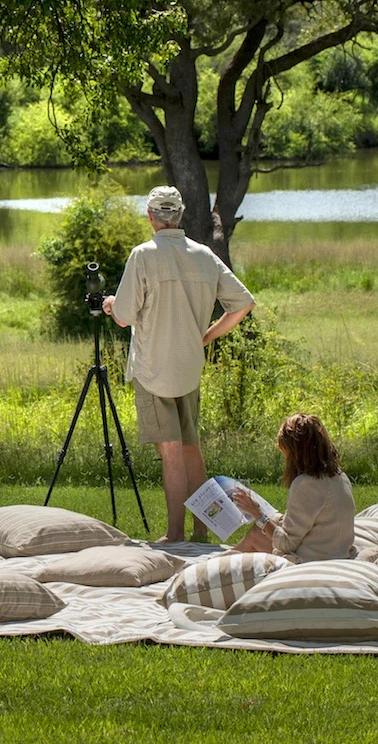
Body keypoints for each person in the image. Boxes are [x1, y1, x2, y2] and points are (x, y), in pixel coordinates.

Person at [103, 185, 255, 541]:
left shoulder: (143, 255)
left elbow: (124, 317)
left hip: (153, 369)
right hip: (189, 367)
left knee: (170, 454)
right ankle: (201, 531)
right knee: (191, 450)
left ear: (151, 217)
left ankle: (174, 536)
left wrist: (111, 305)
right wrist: (205, 336)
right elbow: (243, 304)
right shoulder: (204, 255)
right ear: (181, 215)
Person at [231, 413, 356, 562]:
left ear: (295, 453)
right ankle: (226, 560)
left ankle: (219, 567)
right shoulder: (340, 477)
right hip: (337, 552)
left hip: (314, 560)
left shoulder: (306, 484)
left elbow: (287, 544)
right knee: (272, 520)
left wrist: (257, 514)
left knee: (256, 533)